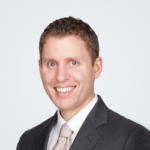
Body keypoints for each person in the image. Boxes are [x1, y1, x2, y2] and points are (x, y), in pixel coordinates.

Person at [16, 16, 150, 150]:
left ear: (96, 67)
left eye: (73, 63)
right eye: (51, 64)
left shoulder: (130, 138)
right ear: (40, 69)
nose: (61, 77)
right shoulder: (28, 140)